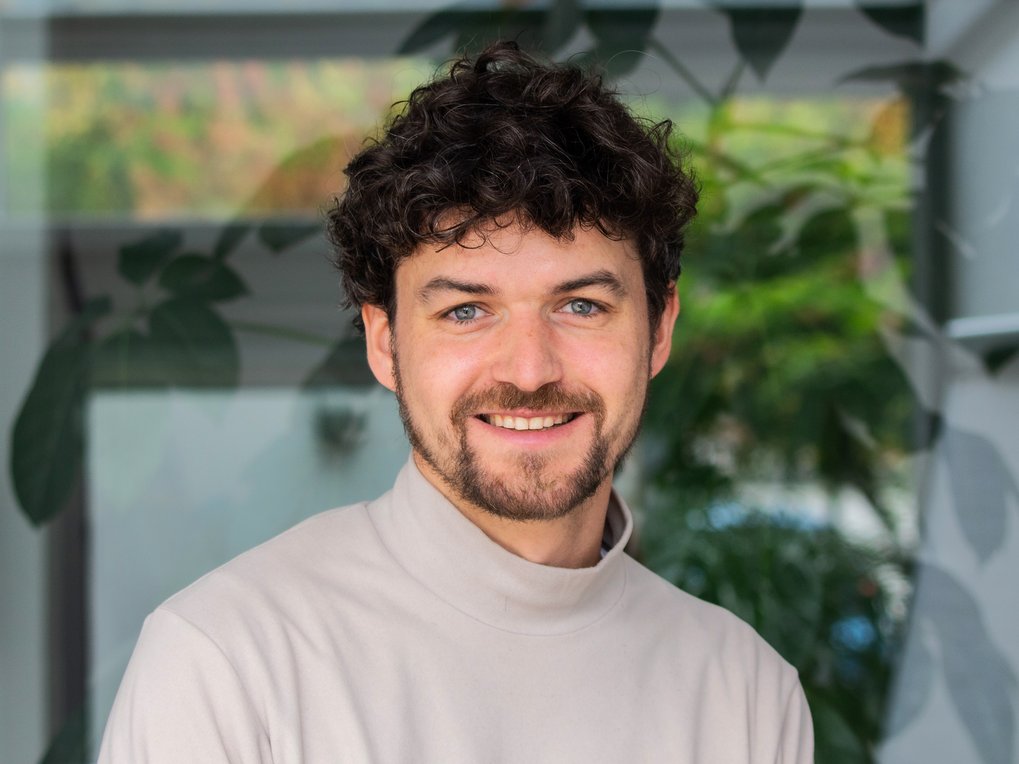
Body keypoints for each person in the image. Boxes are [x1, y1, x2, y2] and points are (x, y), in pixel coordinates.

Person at [99, 41, 813, 762]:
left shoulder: (746, 695)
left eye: (581, 306)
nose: (528, 371)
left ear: (658, 330)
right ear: (385, 344)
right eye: (466, 311)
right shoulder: (227, 663)